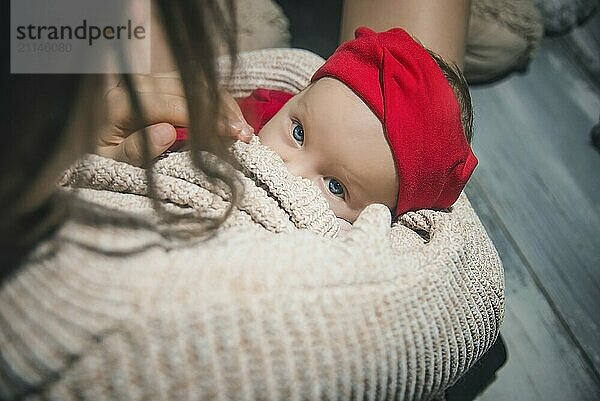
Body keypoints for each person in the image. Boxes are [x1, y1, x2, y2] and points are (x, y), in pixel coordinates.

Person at [173, 27, 476, 225]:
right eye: (298, 133)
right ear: (300, 94)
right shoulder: (254, 115)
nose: (290, 172)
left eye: (335, 187)